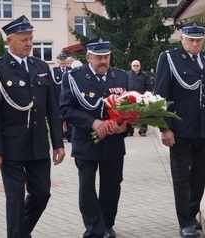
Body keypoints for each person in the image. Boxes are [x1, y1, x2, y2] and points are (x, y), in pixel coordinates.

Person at [0, 15, 65, 238]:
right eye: (24, 39)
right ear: (9, 41)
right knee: (15, 198)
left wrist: (58, 143)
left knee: (42, 193)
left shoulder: (40, 66)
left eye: (31, 39)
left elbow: (52, 109)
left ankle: (20, 232)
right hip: (11, 147)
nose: (29, 43)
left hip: (38, 144)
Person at [154, 21, 205, 238]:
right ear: (182, 38)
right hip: (179, 128)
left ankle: (192, 212)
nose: (195, 43)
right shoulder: (169, 58)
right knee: (181, 176)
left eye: (199, 40)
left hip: (204, 128)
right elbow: (160, 95)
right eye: (191, 39)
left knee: (199, 174)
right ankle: (185, 222)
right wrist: (165, 128)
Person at [59, 36, 128, 238]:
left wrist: (125, 125)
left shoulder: (121, 76)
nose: (103, 61)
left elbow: (131, 106)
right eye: (98, 57)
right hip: (86, 141)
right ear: (88, 57)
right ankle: (94, 228)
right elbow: (64, 109)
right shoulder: (74, 77)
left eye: (106, 56)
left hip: (113, 142)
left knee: (112, 184)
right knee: (87, 186)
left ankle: (107, 224)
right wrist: (92, 122)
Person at [126, 60, 152, 137]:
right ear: (131, 66)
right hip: (130, 98)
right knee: (129, 115)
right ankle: (129, 131)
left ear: (140, 66)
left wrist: (147, 95)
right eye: (134, 66)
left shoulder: (145, 75)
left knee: (143, 114)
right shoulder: (127, 75)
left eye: (137, 66)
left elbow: (148, 86)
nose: (136, 67)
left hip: (141, 97)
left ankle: (143, 131)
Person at [51, 52, 72, 141]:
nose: (62, 62)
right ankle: (59, 137)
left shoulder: (71, 70)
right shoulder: (54, 71)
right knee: (58, 120)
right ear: (58, 61)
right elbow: (52, 85)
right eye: (61, 60)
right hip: (57, 98)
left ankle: (70, 136)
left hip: (69, 99)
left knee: (69, 119)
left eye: (64, 60)